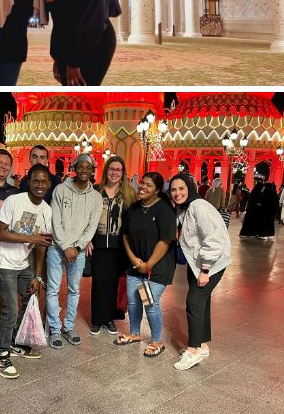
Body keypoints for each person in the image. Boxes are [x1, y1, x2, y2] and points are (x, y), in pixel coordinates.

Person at [0, 164, 55, 378]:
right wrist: (30, 238)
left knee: (30, 296)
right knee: (10, 308)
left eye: (44, 181)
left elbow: (42, 244)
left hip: (22, 263)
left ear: (49, 184)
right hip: (2, 261)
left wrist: (37, 275)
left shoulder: (46, 210)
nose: (39, 185)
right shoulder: (14, 201)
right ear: (28, 181)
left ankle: (15, 342)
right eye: (36, 180)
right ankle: (0, 354)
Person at [169, 173, 230, 371]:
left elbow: (215, 238)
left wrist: (205, 270)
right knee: (202, 302)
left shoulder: (199, 206)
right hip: (196, 262)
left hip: (210, 264)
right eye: (173, 190)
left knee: (194, 302)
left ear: (190, 187)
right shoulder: (185, 207)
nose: (177, 193)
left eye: (181, 188)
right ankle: (202, 345)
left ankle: (193, 351)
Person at [45, 155, 101, 349]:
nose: (84, 170)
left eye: (88, 167)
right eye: (81, 166)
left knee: (74, 290)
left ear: (93, 170)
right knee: (52, 289)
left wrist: (76, 248)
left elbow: (91, 227)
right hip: (56, 248)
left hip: (77, 251)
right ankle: (54, 329)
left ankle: (68, 327)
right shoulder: (60, 190)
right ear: (74, 168)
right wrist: (65, 246)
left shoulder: (95, 197)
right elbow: (55, 221)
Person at [118, 172, 175, 357]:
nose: (142, 187)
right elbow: (125, 235)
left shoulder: (164, 210)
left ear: (157, 190)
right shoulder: (134, 208)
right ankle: (135, 333)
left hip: (157, 268)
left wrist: (148, 264)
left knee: (149, 301)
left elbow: (165, 241)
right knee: (133, 300)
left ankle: (157, 340)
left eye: (148, 185)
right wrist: (134, 259)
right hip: (136, 265)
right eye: (142, 183)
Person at [88, 156, 133, 336]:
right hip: (98, 245)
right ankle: (97, 319)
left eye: (118, 170)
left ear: (122, 173)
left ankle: (110, 318)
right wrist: (88, 239)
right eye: (111, 169)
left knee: (115, 284)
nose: (114, 172)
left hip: (119, 247)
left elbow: (131, 221)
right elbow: (87, 217)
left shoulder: (128, 193)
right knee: (99, 283)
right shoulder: (96, 191)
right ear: (106, 170)